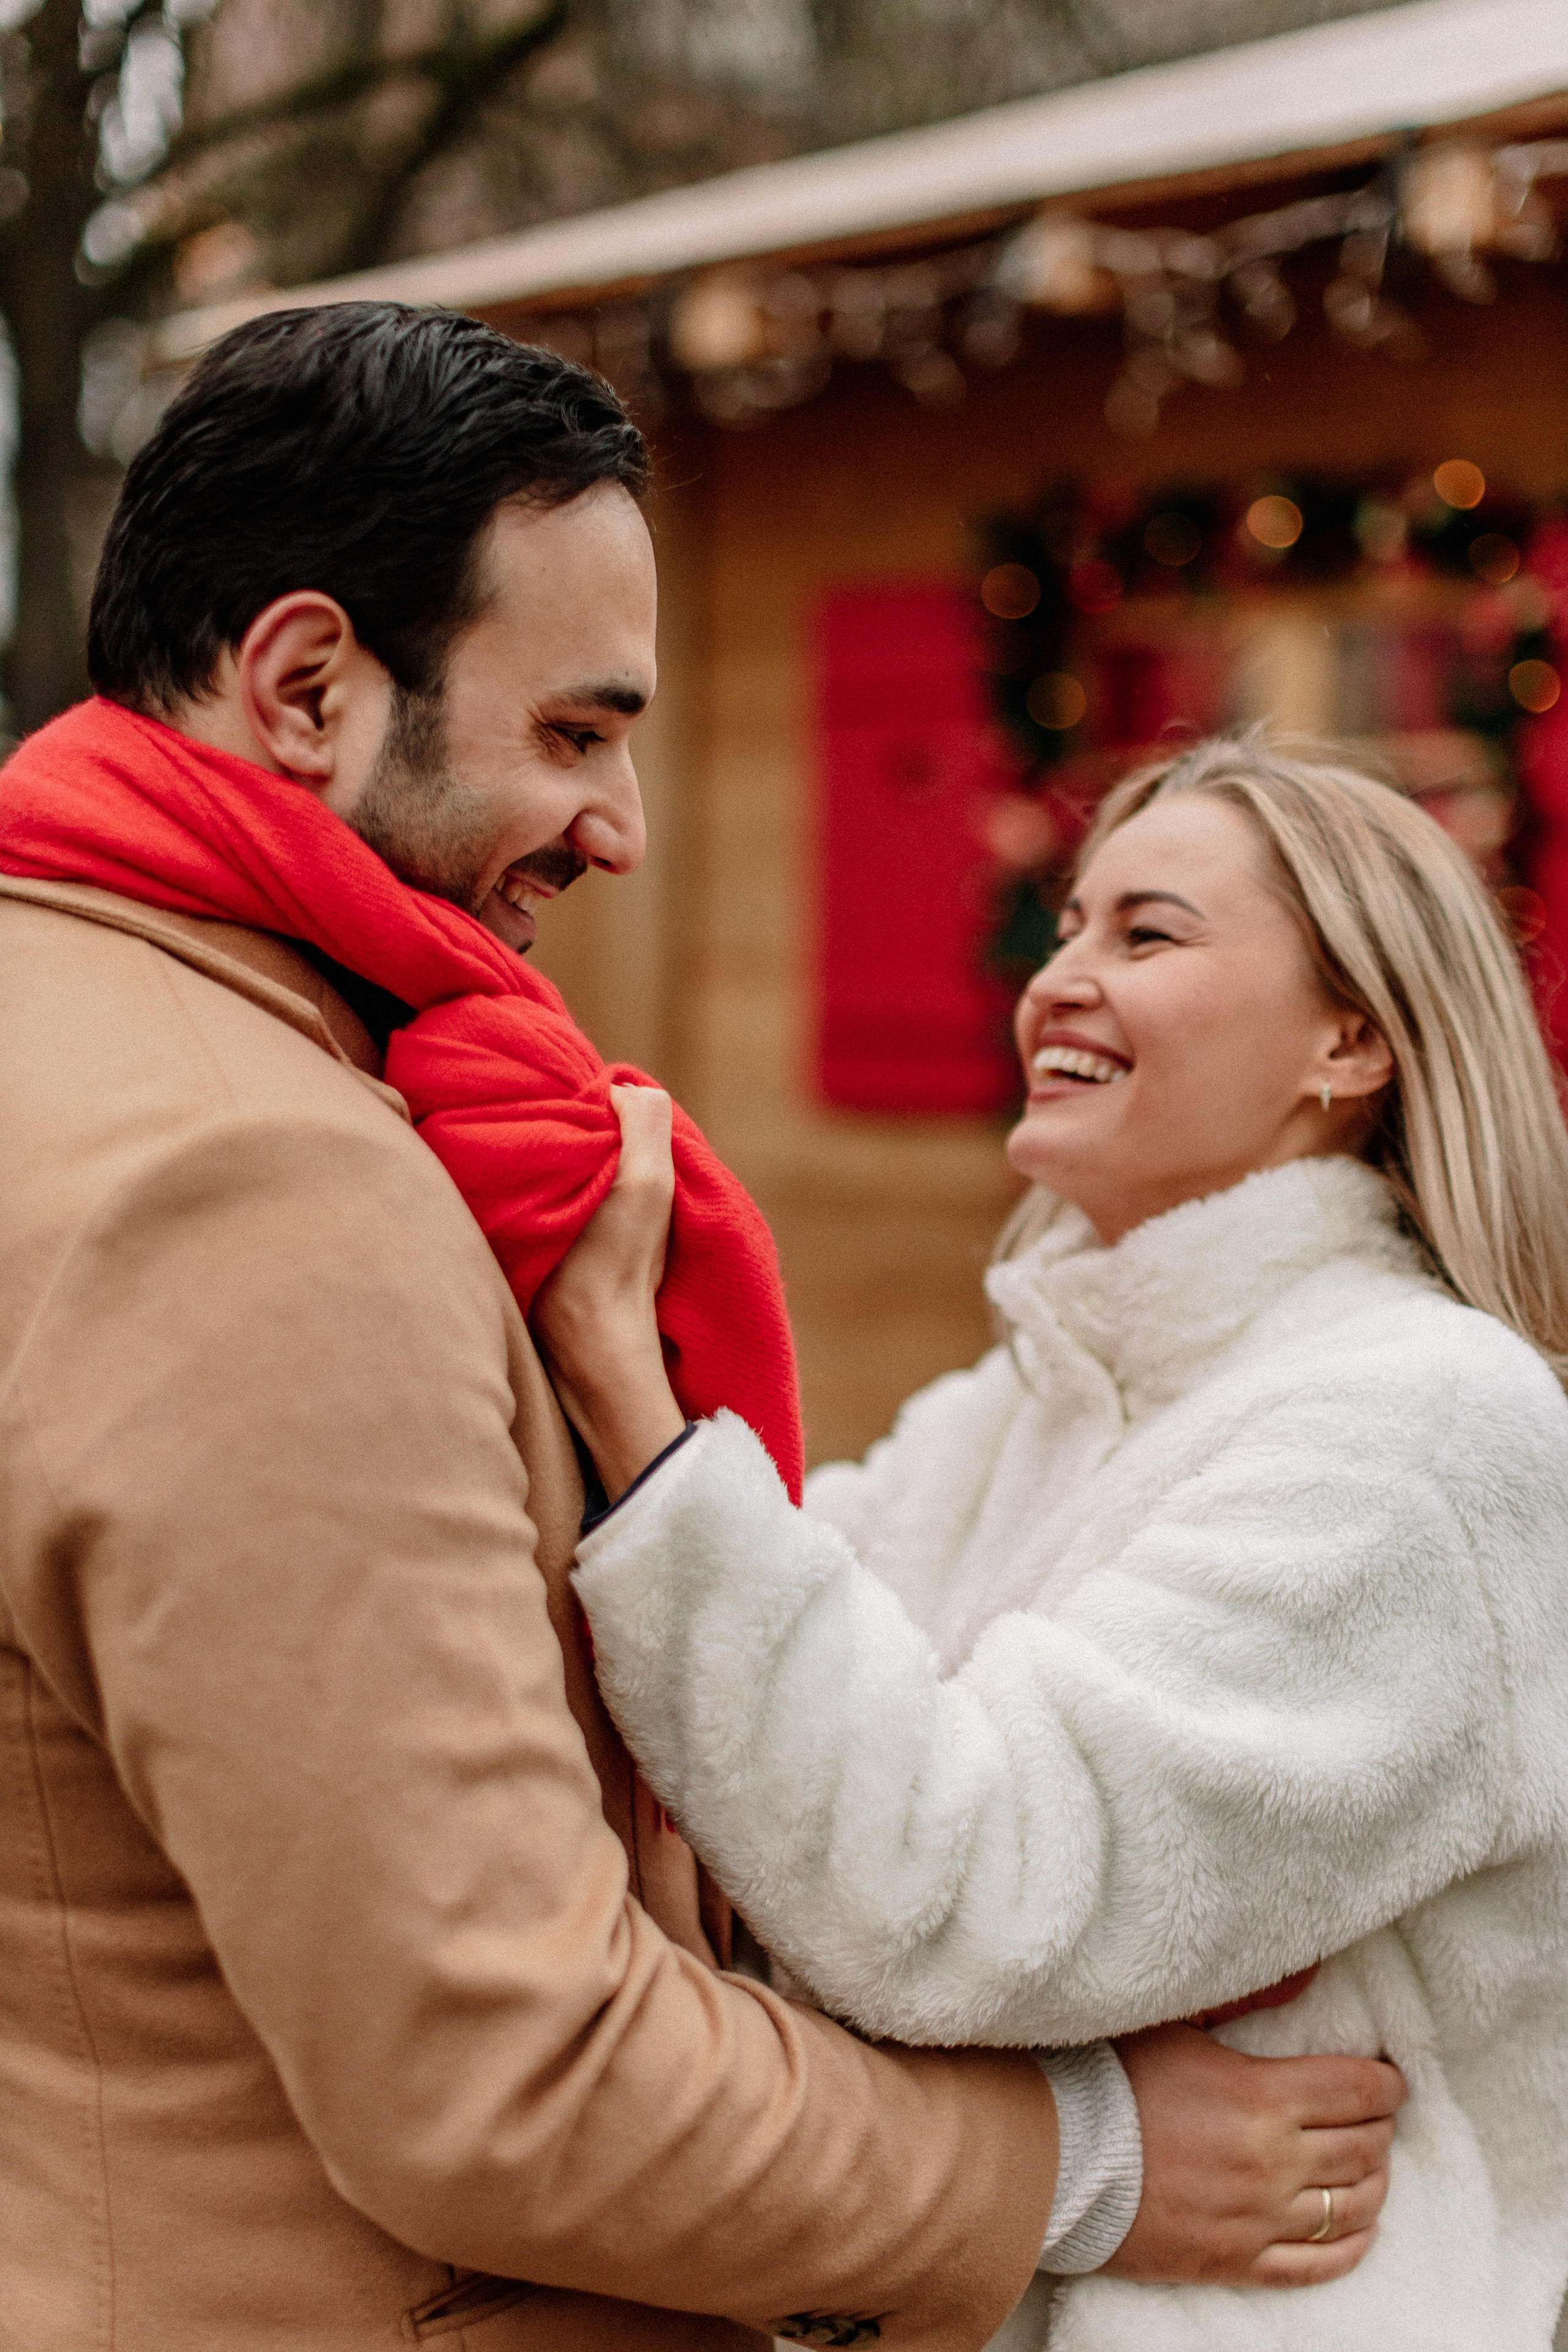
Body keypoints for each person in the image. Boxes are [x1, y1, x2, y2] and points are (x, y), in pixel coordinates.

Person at [0, 308, 1402, 2352]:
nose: (624, 825)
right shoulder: (256, 1180)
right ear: (308, 683)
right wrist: (1079, 2162)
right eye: (575, 732)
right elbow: (508, 2074)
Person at [535, 737, 1568, 2350]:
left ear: (1349, 1037)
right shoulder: (1028, 1402)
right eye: (1065, 925)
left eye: (1145, 937)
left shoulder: (1424, 1432)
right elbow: (749, 1778)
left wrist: (628, 1393)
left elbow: (946, 1891)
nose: (1057, 981)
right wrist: (1095, 2132)